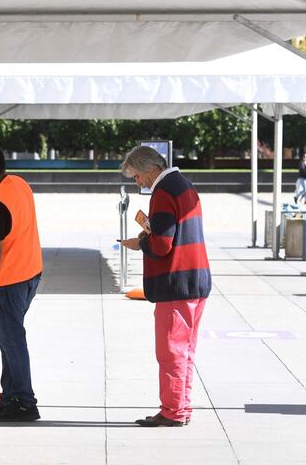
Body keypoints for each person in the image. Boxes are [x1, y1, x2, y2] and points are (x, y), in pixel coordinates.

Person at [120, 146, 211, 427]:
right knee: (185, 350)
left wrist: (140, 243)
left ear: (149, 169)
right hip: (196, 278)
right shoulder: (184, 184)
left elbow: (161, 244)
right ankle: (180, 407)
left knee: (170, 351)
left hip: (176, 281)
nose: (137, 183)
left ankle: (173, 410)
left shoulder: (162, 193)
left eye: (136, 176)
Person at [0, 145, 43, 422]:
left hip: (8, 281)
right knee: (8, 339)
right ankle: (11, 397)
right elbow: (7, 205)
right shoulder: (18, 184)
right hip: (30, 273)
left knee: (12, 341)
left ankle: (25, 402)